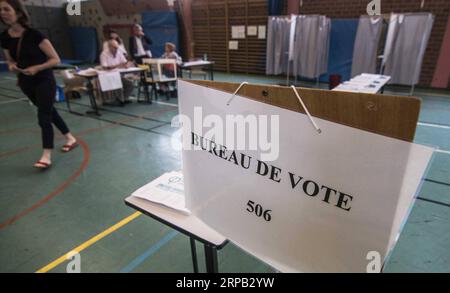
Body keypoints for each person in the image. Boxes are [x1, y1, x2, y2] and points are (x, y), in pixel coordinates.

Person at [0, 0, 77, 170]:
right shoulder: (4, 37)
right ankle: (70, 138)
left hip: (44, 80)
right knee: (50, 112)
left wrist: (37, 68)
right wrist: (12, 66)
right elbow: (10, 60)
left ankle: (46, 155)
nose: (3, 13)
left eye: (7, 9)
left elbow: (55, 59)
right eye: (0, 10)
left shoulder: (35, 35)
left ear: (18, 12)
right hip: (26, 82)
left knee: (43, 117)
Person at [99, 39, 134, 104]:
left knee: (130, 84)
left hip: (118, 74)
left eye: (117, 47)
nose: (116, 49)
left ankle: (123, 98)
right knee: (118, 84)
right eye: (114, 47)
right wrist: (118, 65)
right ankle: (119, 99)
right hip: (107, 76)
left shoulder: (119, 52)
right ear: (109, 47)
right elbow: (105, 67)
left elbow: (125, 62)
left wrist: (128, 64)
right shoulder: (104, 54)